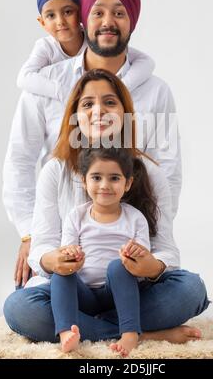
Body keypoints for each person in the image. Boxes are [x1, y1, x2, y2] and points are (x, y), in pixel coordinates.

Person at [3, 69, 210, 346]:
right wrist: (52, 260)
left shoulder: (149, 172)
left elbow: (166, 248)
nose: (98, 110)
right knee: (20, 308)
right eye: (88, 103)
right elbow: (43, 244)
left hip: (131, 289)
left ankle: (93, 327)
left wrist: (152, 266)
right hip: (76, 291)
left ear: (124, 113)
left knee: (190, 290)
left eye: (110, 102)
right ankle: (140, 332)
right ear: (75, 115)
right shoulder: (55, 170)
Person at [3, 0, 163, 288]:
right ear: (85, 20)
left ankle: (114, 314)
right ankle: (128, 322)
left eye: (119, 13)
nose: (107, 22)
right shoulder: (45, 82)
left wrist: (153, 257)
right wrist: (32, 235)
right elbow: (19, 160)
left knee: (183, 291)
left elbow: (165, 170)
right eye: (98, 12)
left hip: (127, 248)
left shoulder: (153, 87)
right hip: (64, 247)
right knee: (25, 309)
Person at [51, 146, 158, 356]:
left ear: (128, 183)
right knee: (60, 273)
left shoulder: (135, 218)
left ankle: (129, 333)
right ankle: (66, 332)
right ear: (84, 181)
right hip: (84, 296)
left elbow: (144, 260)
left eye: (114, 178)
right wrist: (72, 255)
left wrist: (137, 253)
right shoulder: (76, 216)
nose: (105, 185)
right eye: (97, 177)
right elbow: (65, 252)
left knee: (118, 266)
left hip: (120, 294)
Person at [17, 0, 154, 102]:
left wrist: (121, 88)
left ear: (82, 14)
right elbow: (24, 78)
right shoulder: (45, 47)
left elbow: (146, 61)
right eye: (51, 15)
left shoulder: (96, 41)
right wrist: (66, 93)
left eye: (68, 12)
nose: (60, 21)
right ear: (42, 22)